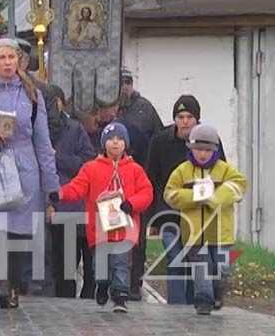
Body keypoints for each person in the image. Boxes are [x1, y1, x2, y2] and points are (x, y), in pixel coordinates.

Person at [0, 39, 58, 309]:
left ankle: (13, 284)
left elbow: (42, 140)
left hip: (24, 166)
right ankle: (2, 283)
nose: (7, 62)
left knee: (18, 231)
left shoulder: (32, 95)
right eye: (1, 57)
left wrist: (51, 185)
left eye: (11, 57)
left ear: (19, 61)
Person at [53, 122, 153, 313]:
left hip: (125, 228)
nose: (115, 143)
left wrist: (132, 204)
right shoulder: (91, 168)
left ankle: (120, 296)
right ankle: (103, 284)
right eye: (111, 139)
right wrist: (61, 194)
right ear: (104, 143)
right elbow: (78, 187)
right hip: (99, 229)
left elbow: (146, 192)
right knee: (99, 265)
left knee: (121, 262)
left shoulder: (135, 170)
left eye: (120, 139)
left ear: (126, 144)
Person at [146, 95, 225, 304]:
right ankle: (177, 308)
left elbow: (221, 175)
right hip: (168, 213)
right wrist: (152, 219)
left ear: (197, 120)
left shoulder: (210, 140)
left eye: (190, 117)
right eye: (180, 116)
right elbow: (151, 180)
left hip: (199, 215)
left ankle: (194, 304)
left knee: (197, 261)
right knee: (175, 259)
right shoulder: (160, 142)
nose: (185, 121)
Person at [164, 124, 247, 315]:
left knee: (221, 268)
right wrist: (194, 195)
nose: (202, 154)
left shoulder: (225, 170)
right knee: (202, 270)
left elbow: (240, 186)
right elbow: (169, 194)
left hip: (221, 234)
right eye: (198, 149)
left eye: (207, 150)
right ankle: (203, 301)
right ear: (190, 148)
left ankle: (218, 293)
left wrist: (216, 198)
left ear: (215, 150)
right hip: (194, 234)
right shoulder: (182, 171)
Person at [46, 85, 97, 298]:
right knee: (61, 267)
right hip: (49, 204)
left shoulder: (75, 129)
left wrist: (57, 157)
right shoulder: (34, 129)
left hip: (74, 206)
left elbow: (87, 162)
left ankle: (87, 302)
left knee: (86, 264)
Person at [118, 68, 163, 142]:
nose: (125, 87)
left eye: (128, 83)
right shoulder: (108, 108)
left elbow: (159, 134)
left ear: (132, 85)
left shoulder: (145, 106)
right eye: (121, 83)